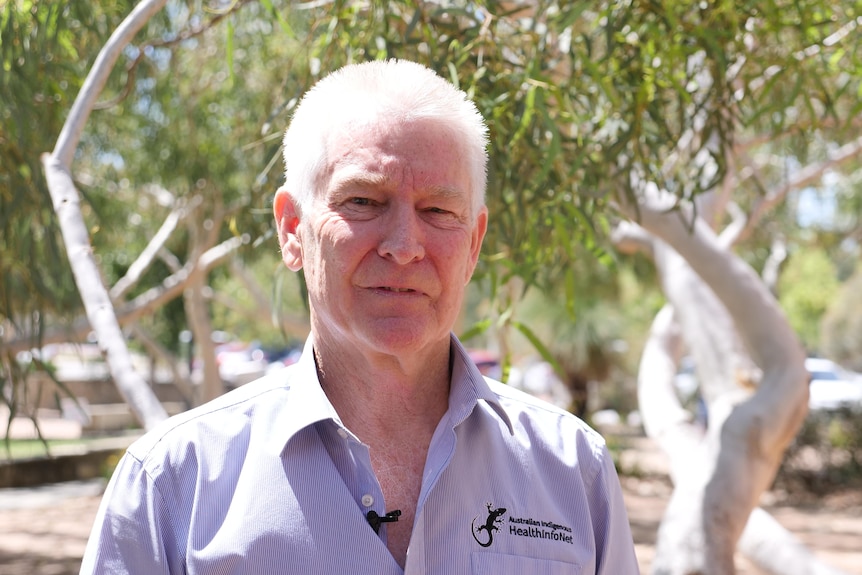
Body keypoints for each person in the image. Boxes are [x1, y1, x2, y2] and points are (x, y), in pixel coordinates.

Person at [80, 59, 640, 574]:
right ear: (292, 230)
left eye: (439, 211)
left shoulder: (572, 471)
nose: (404, 245)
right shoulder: (174, 484)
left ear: (474, 244)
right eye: (363, 202)